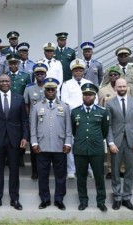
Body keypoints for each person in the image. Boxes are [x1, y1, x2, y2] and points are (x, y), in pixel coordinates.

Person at [0, 74, 29, 211]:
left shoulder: (19, 98)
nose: (4, 83)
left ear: (11, 82)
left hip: (14, 140)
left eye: (7, 81)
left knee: (14, 171)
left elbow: (24, 121)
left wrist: (24, 137)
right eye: (2, 81)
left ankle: (14, 199)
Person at [30, 77, 72, 210]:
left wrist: (68, 143)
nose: (50, 92)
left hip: (60, 146)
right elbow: (33, 127)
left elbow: (68, 128)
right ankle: (45, 199)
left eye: (52, 89)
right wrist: (34, 143)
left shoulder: (64, 106)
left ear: (56, 90)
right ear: (44, 91)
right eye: (47, 89)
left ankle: (59, 199)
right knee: (43, 175)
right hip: (42, 146)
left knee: (60, 175)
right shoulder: (37, 106)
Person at [106, 78, 133, 211]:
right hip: (116, 142)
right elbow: (108, 125)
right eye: (119, 87)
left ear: (127, 87)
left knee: (129, 171)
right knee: (115, 171)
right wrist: (110, 142)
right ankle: (117, 197)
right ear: (115, 88)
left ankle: (127, 198)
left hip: (132, 142)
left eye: (124, 86)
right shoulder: (109, 104)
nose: (122, 89)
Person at [71, 83, 109, 212]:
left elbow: (104, 131)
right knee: (81, 177)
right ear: (82, 96)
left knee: (99, 176)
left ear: (95, 96)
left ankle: (101, 201)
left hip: (96, 149)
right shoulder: (75, 112)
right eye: (85, 94)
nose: (87, 97)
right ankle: (83, 201)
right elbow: (73, 130)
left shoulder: (102, 112)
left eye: (90, 94)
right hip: (80, 149)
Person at [61, 59, 97, 179]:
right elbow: (65, 101)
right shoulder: (66, 84)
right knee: (70, 143)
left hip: (87, 116)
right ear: (72, 71)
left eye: (80, 70)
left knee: (86, 142)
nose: (78, 72)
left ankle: (88, 168)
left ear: (83, 71)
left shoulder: (89, 82)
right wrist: (78, 108)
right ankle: (71, 169)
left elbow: (94, 100)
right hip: (71, 116)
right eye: (76, 70)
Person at [23, 63, 48, 180]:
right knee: (34, 147)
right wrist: (27, 121)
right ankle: (35, 171)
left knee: (45, 147)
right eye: (37, 73)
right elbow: (26, 105)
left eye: (42, 73)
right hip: (33, 121)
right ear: (34, 75)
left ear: (45, 74)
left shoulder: (50, 86)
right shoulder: (29, 88)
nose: (40, 75)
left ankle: (44, 170)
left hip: (47, 121)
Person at [98, 67, 124, 179]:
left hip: (123, 121)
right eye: (111, 75)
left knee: (123, 144)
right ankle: (110, 169)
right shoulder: (103, 90)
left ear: (119, 76)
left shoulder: (124, 88)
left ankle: (122, 169)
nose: (113, 77)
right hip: (109, 121)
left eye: (115, 75)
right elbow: (100, 106)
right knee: (110, 145)